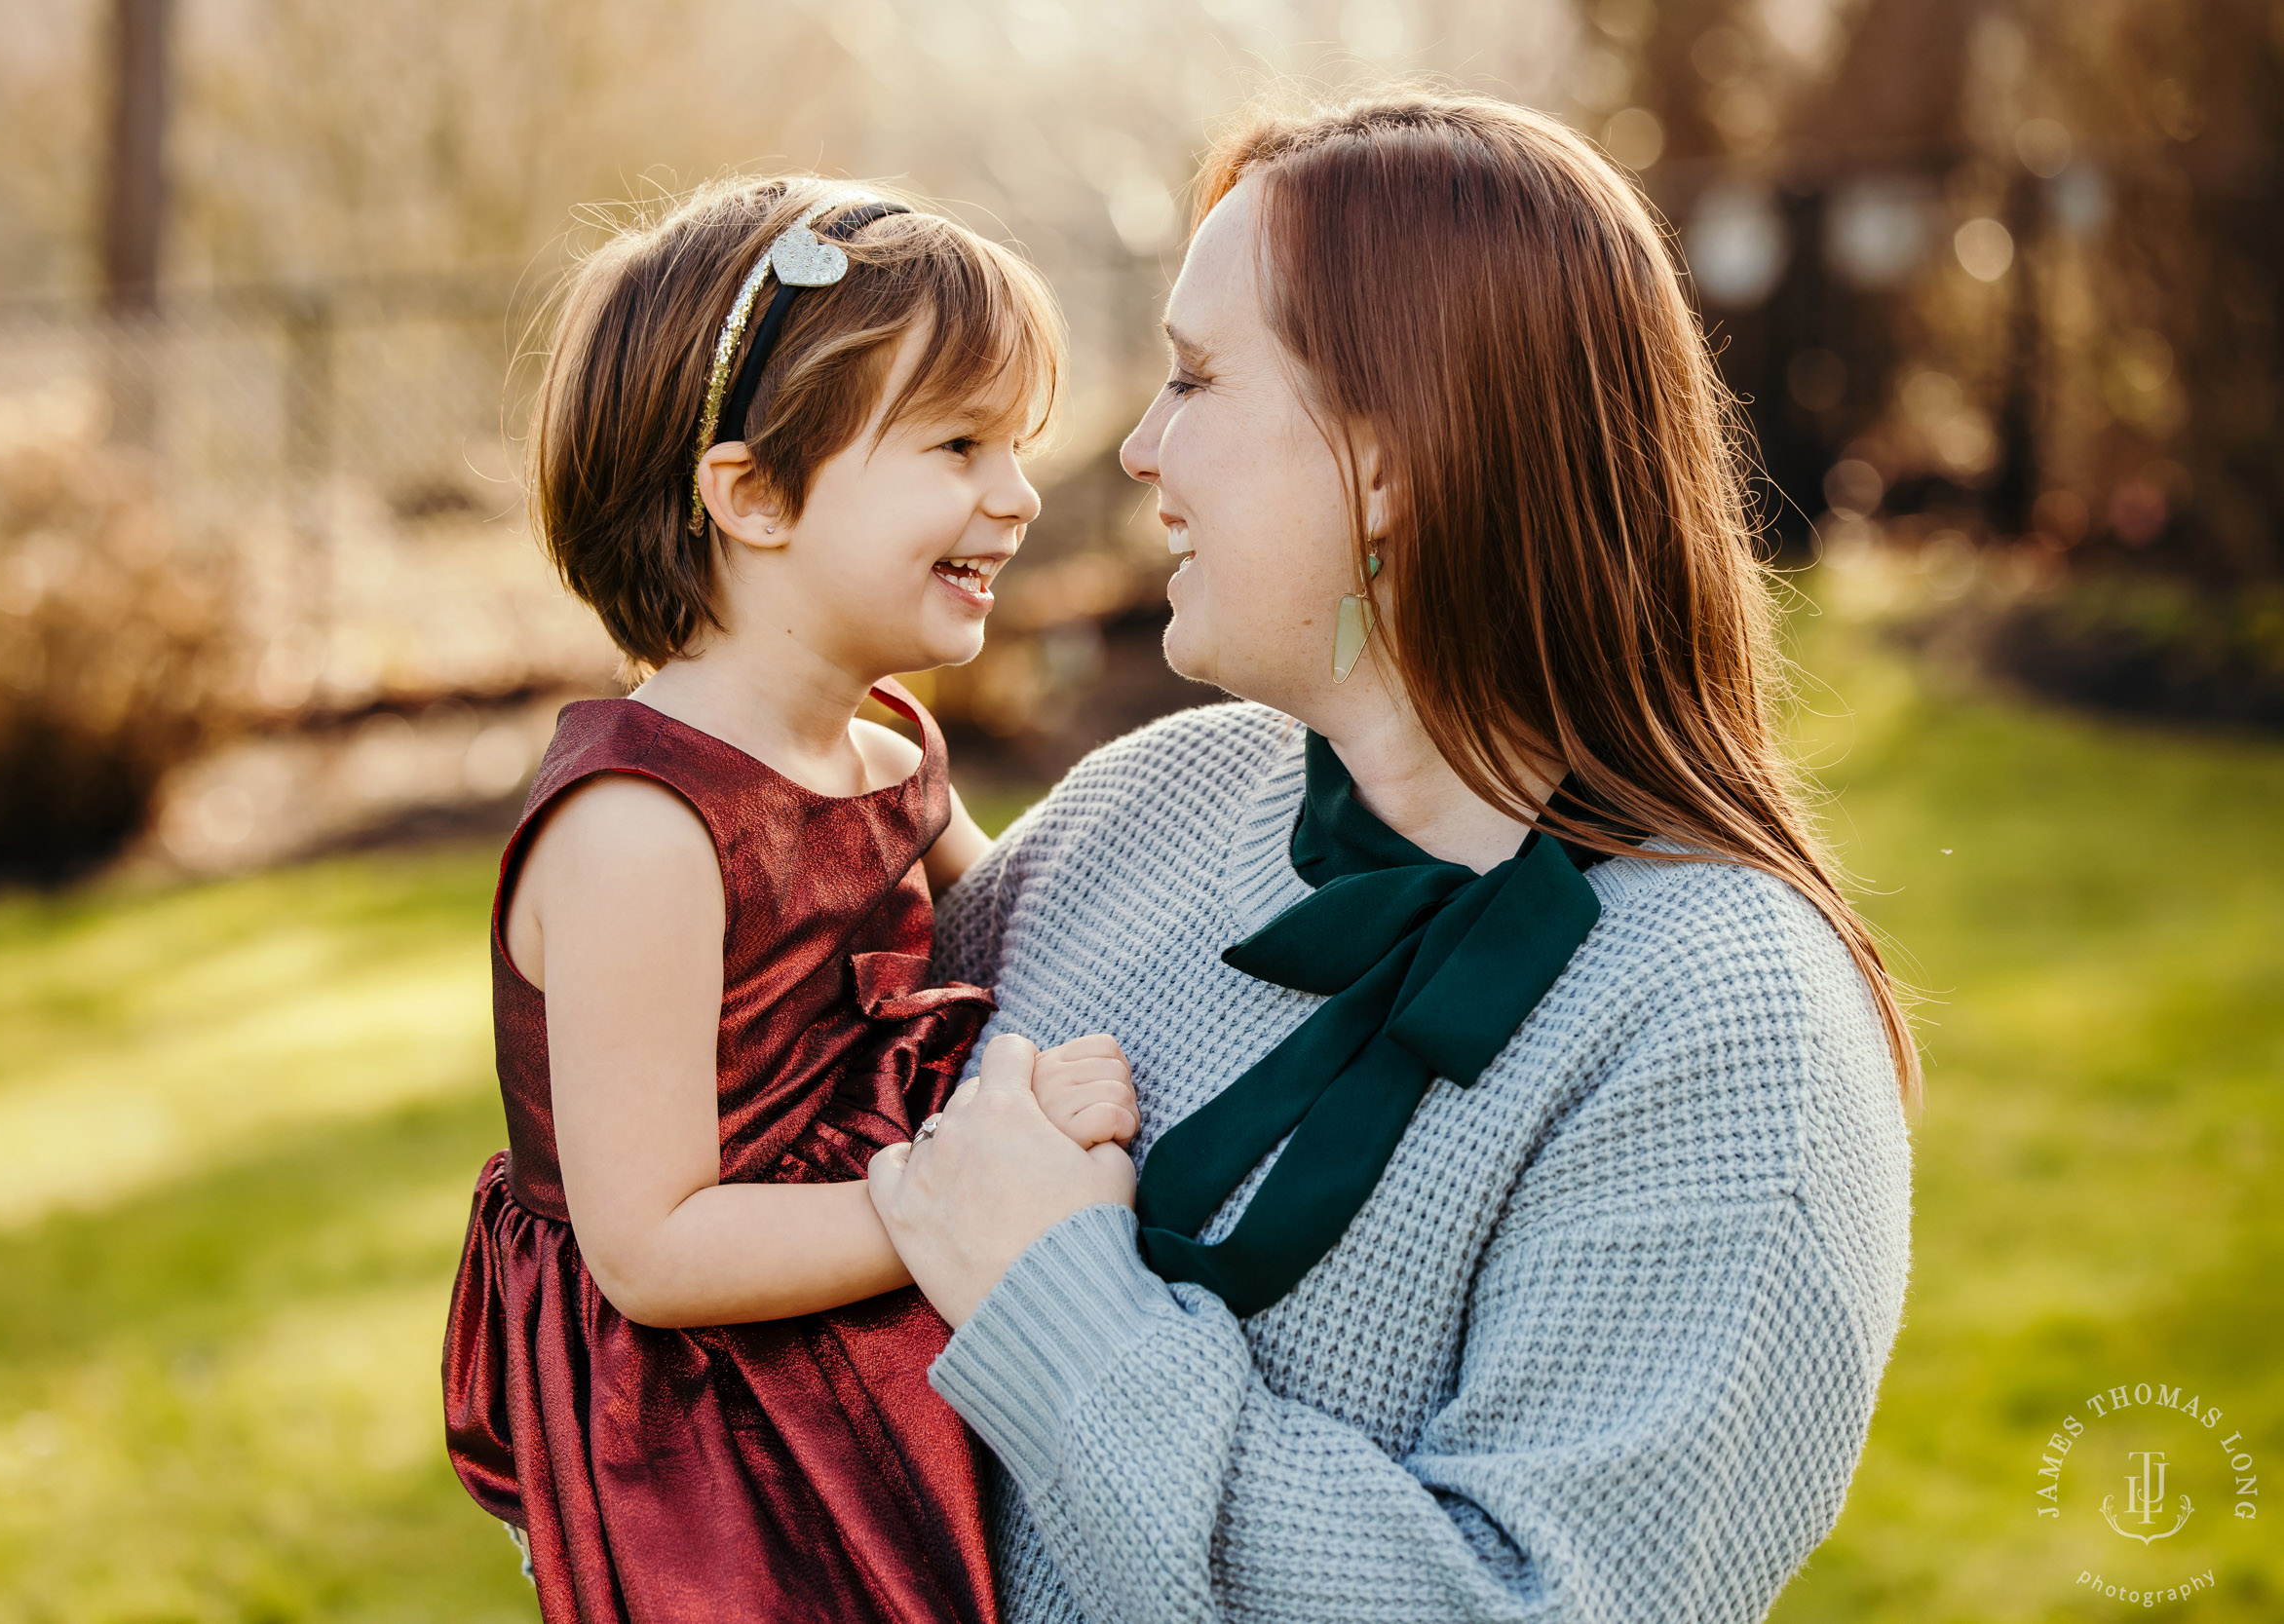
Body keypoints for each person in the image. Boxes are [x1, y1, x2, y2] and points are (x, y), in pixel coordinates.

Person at [867, 94, 1919, 1623]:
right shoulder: (1134, 815)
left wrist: (1063, 1312)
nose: (1142, 449)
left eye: (1197, 377)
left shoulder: (1725, 1029)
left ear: (1395, 456)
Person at [438, 177, 1139, 1624]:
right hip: (711, 1432)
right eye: (958, 445)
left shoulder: (888, 754)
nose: (1014, 495)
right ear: (752, 496)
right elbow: (653, 1247)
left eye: (1019, 445)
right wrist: (959, 1205)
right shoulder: (642, 828)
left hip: (860, 1345)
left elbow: (1058, 932)